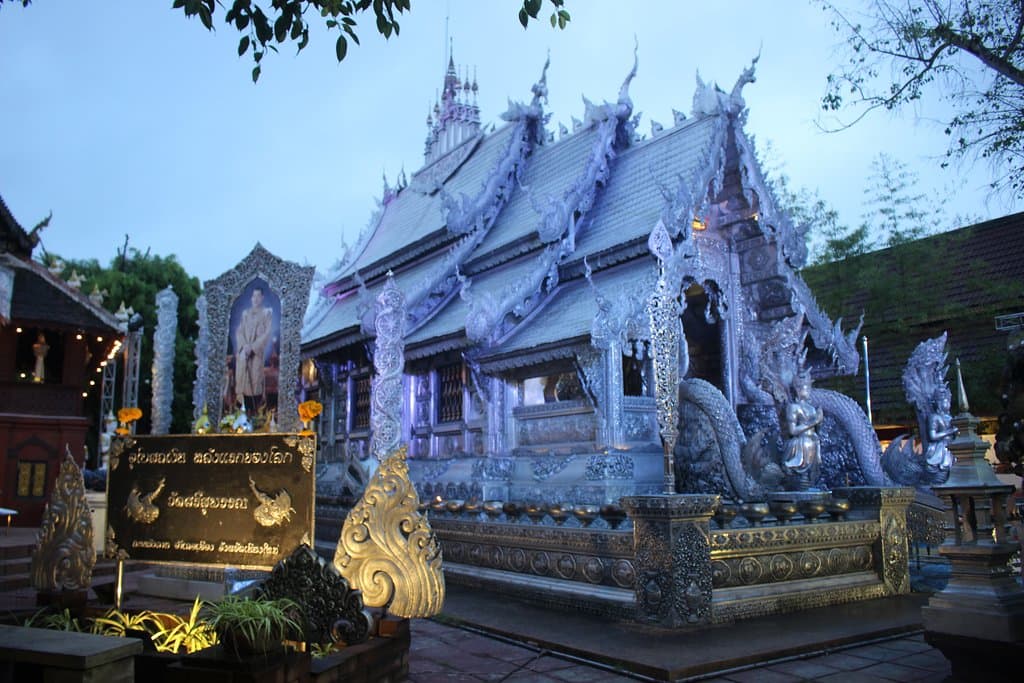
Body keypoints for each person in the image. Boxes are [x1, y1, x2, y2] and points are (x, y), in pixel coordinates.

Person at [234, 287, 273, 413]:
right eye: (253, 296)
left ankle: (255, 413)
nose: (255, 299)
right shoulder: (245, 314)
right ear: (251, 298)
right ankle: (241, 412)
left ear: (262, 298)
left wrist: (253, 347)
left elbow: (267, 333)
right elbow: (239, 331)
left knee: (255, 381)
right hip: (244, 353)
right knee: (242, 380)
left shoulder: (266, 313)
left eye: (258, 296)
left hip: (256, 353)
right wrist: (245, 346)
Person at [783, 372, 823, 489]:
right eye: (803, 387)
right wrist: (814, 421)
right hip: (800, 443)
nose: (806, 390)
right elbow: (793, 430)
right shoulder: (793, 407)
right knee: (806, 444)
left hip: (813, 441)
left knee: (812, 442)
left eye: (808, 386)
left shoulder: (811, 408)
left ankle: (808, 481)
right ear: (797, 389)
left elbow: (816, 429)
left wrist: (819, 421)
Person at [924, 392, 956, 469]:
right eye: (945, 401)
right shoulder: (934, 417)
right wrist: (950, 431)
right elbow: (933, 436)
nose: (947, 403)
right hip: (941, 446)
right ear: (938, 403)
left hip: (953, 444)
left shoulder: (950, 417)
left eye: (948, 401)